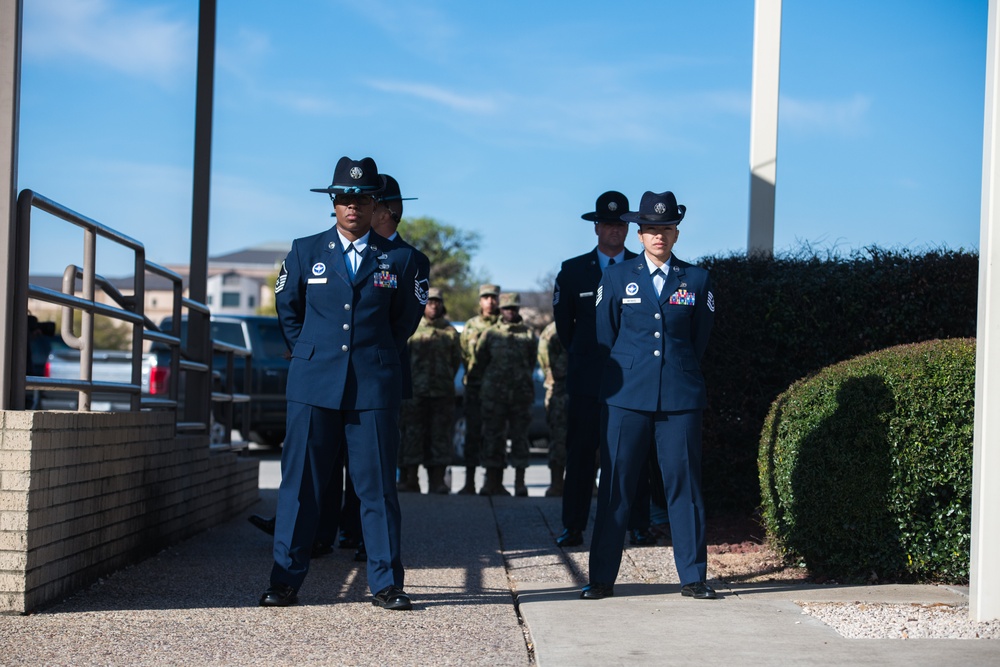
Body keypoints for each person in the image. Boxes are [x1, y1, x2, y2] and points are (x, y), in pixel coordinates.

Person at [260, 155, 425, 610]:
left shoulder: (405, 259)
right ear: (333, 203)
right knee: (299, 488)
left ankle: (387, 583)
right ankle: (285, 581)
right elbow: (289, 312)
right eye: (344, 198)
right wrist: (314, 352)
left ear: (376, 205)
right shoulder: (304, 251)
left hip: (372, 387)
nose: (353, 206)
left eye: (363, 198)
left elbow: (402, 323)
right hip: (313, 384)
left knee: (376, 489)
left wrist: (367, 359)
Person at [582, 190, 717, 601]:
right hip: (627, 398)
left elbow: (699, 339)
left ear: (676, 233)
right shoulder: (616, 277)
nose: (659, 236)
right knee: (615, 488)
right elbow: (606, 336)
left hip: (679, 398)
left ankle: (693, 577)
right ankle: (602, 577)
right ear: (639, 235)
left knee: (684, 486)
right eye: (652, 229)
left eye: (667, 229)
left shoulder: (696, 279)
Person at [552, 191, 652, 548]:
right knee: (580, 453)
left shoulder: (641, 269)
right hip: (587, 378)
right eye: (607, 224)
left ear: (628, 228)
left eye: (619, 225)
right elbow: (565, 328)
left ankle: (639, 523)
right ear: (597, 227)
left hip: (632, 378)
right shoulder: (573, 271)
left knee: (633, 454)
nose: (613, 231)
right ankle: (573, 526)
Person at [468, 292, 538, 496]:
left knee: (520, 438)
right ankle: (492, 482)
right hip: (494, 395)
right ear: (501, 310)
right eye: (506, 308)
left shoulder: (527, 334)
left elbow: (532, 361)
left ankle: (519, 482)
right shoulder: (490, 333)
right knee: (492, 437)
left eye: (514, 308)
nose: (510, 312)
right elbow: (480, 361)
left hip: (520, 395)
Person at [398, 287, 463, 494]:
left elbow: (455, 361)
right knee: (412, 435)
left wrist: (442, 380)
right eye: (429, 302)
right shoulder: (412, 328)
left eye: (437, 302)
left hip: (442, 393)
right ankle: (410, 479)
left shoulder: (450, 332)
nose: (433, 305)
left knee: (440, 436)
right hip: (415, 393)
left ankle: (437, 481)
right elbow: (403, 359)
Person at [456, 284, 501, 494]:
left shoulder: (503, 324)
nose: (490, 301)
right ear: (480, 301)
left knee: (495, 436)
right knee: (472, 435)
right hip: (474, 388)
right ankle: (469, 482)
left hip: (498, 390)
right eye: (486, 297)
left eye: (493, 297)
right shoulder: (470, 326)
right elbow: (463, 354)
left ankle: (492, 482)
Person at [536, 320, 567, 497]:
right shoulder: (551, 331)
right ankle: (556, 483)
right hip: (559, 391)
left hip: (585, 391)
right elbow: (544, 361)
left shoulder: (590, 322)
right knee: (558, 438)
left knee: (589, 440)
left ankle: (588, 484)